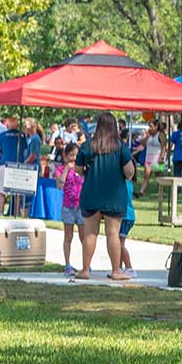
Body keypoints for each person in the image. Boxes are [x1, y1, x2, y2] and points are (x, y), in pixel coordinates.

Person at [74, 111, 134, 281]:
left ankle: (85, 270)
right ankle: (116, 271)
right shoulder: (121, 147)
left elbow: (78, 170)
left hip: (91, 194)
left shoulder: (87, 147)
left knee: (90, 234)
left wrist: (88, 172)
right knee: (113, 234)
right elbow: (129, 172)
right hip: (114, 196)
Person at [55, 143, 85, 277]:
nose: (73, 158)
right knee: (68, 236)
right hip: (68, 207)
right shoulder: (60, 169)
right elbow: (59, 185)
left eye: (76, 155)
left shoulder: (82, 169)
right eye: (71, 155)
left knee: (84, 237)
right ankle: (67, 264)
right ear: (65, 156)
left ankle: (86, 265)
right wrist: (66, 170)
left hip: (81, 206)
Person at [141, 122, 165, 195]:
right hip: (148, 159)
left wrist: (162, 157)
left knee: (159, 177)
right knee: (146, 176)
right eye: (149, 126)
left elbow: (163, 147)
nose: (150, 128)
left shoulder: (160, 135)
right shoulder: (149, 135)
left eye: (151, 126)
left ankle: (160, 191)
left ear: (156, 126)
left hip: (157, 159)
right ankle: (141, 191)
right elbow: (142, 143)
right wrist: (147, 136)